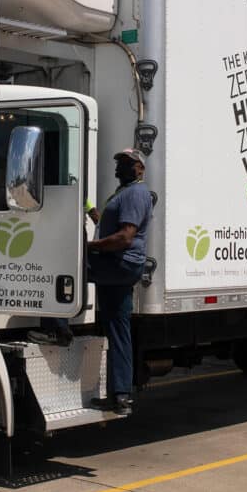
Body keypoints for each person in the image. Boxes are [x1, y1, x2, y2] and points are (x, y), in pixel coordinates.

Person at [86, 148, 153, 416]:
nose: (119, 167)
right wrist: (92, 212)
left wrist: (89, 246)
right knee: (118, 329)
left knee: (63, 270)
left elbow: (125, 237)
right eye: (118, 163)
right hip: (117, 265)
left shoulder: (136, 193)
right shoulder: (126, 192)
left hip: (120, 263)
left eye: (126, 163)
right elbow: (113, 228)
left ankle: (56, 327)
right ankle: (120, 397)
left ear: (140, 168)